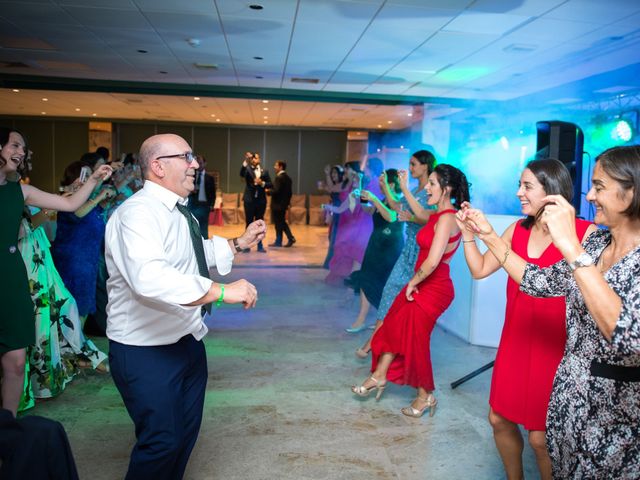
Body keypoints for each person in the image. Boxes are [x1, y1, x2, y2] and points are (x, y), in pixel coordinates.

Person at [456, 145, 640, 479]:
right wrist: (486, 234)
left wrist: (570, 246)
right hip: (569, 399)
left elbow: (627, 335)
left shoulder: (588, 242)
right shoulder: (598, 243)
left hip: (614, 414)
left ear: (632, 193)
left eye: (599, 187)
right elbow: (537, 281)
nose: (590, 195)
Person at [105, 133, 265, 480]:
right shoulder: (137, 214)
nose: (195, 164)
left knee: (181, 440)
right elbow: (150, 277)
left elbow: (189, 257)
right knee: (161, 443)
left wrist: (238, 242)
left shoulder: (179, 211)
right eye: (186, 157)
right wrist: (221, 292)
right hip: (144, 350)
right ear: (158, 166)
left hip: (186, 341)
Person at [0, 127, 112, 416]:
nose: (21, 152)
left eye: (22, 148)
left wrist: (95, 180)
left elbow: (68, 204)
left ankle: (8, 429)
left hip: (11, 278)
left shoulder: (20, 191)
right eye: (14, 145)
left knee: (15, 359)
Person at [351, 164, 470, 418]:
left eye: (432, 184)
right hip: (423, 283)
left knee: (415, 340)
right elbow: (415, 211)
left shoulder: (448, 218)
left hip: (434, 287)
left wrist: (413, 282)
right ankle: (380, 375)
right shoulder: (438, 215)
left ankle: (425, 396)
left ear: (446, 189)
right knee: (393, 324)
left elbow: (433, 260)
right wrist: (404, 188)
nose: (427, 187)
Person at [18, 206, 108, 411]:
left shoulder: (23, 192)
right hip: (25, 258)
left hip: (40, 259)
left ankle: (82, 356)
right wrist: (49, 209)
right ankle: (73, 363)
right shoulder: (18, 194)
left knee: (67, 306)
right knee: (40, 320)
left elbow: (66, 204)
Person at [355, 150, 436, 357]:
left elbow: (428, 218)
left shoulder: (430, 191)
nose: (410, 168)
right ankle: (375, 341)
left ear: (425, 166)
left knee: (406, 304)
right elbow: (397, 206)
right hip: (408, 250)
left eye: (414, 164)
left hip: (421, 253)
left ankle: (391, 346)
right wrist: (385, 189)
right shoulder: (416, 190)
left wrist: (410, 215)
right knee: (390, 293)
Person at [52, 160, 116, 325]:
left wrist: (102, 200)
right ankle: (70, 345)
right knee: (72, 304)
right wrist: (100, 197)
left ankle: (77, 343)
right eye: (86, 175)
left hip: (88, 260)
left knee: (84, 305)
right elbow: (77, 213)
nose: (91, 179)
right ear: (75, 178)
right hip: (73, 261)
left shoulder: (88, 199)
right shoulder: (68, 198)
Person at [344, 169, 405, 332]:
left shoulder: (397, 200)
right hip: (377, 243)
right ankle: (376, 319)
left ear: (391, 184)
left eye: (382, 180)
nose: (379, 183)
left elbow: (391, 217)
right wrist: (363, 200)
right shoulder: (384, 199)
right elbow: (370, 211)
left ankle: (364, 320)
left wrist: (374, 198)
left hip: (389, 246)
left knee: (377, 281)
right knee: (369, 279)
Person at [324, 161, 374, 285]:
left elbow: (366, 208)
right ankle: (352, 281)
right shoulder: (353, 194)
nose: (355, 183)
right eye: (355, 181)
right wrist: (327, 207)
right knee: (348, 252)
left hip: (364, 228)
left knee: (358, 256)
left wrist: (360, 194)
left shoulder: (364, 194)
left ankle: (356, 282)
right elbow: (343, 208)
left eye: (357, 181)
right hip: (353, 227)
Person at [240, 151, 272, 252]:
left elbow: (270, 184)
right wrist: (246, 160)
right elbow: (241, 173)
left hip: (261, 201)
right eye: (252, 158)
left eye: (256, 158)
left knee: (260, 223)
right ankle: (246, 246)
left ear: (259, 160)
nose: (254, 159)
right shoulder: (248, 169)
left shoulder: (265, 171)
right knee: (249, 222)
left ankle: (260, 245)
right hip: (249, 200)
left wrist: (262, 183)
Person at [322, 165, 352, 267]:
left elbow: (331, 189)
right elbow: (331, 188)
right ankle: (333, 262)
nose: (333, 175)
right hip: (337, 212)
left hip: (343, 214)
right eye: (332, 173)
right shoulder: (343, 184)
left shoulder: (347, 185)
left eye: (335, 173)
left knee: (336, 238)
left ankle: (334, 263)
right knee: (332, 237)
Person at [188, 155, 216, 239]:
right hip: (192, 204)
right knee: (192, 227)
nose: (199, 165)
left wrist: (212, 205)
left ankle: (204, 247)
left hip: (204, 205)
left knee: (203, 228)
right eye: (197, 163)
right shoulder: (191, 175)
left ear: (205, 163)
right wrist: (190, 189)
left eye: (200, 163)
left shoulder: (210, 178)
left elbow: (212, 193)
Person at [268, 160, 295, 247]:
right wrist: (287, 203)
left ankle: (287, 239)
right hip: (283, 205)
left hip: (277, 205)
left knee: (279, 223)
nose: (274, 167)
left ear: (281, 167)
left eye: (276, 165)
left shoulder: (279, 178)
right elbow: (289, 193)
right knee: (281, 222)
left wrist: (267, 191)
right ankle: (281, 240)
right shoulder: (288, 178)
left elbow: (276, 191)